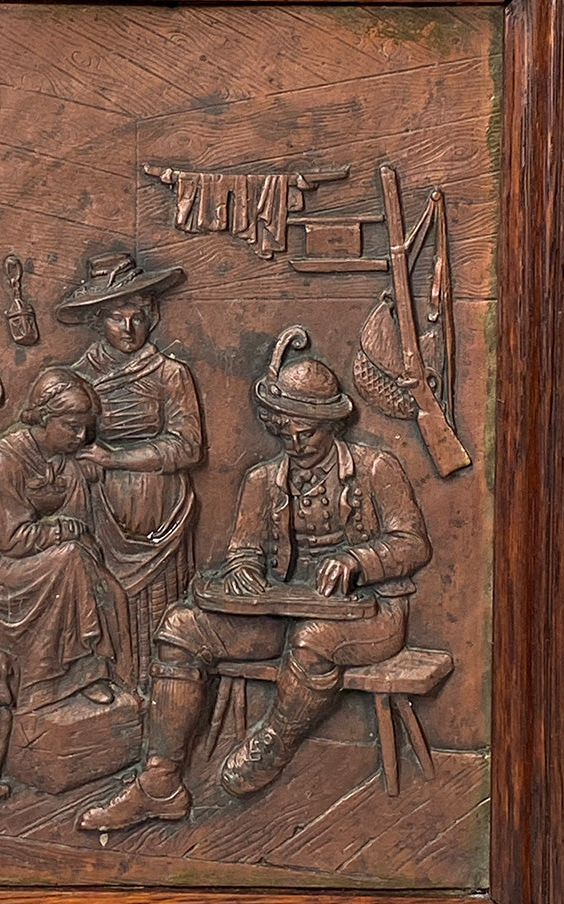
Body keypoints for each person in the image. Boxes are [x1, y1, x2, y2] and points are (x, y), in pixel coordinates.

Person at [78, 326, 431, 832]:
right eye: (284, 431)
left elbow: (413, 543)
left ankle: (274, 743)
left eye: (305, 432)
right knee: (181, 628)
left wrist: (358, 562)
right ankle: (159, 782)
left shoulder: (377, 468)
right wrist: (244, 570)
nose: (294, 442)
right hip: (279, 610)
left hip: (368, 612)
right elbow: (244, 548)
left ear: (329, 425)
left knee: (313, 641)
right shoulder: (263, 480)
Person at [0, 368, 133, 712]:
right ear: (43, 418)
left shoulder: (65, 461)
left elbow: (81, 525)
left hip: (31, 548)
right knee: (69, 561)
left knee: (101, 582)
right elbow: (10, 539)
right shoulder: (0, 462)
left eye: (85, 427)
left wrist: (76, 496)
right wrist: (63, 533)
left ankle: (86, 673)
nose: (81, 436)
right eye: (71, 425)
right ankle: (48, 680)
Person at [56, 253, 204, 689]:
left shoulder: (170, 374)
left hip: (162, 513)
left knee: (163, 613)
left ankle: (167, 697)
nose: (129, 328)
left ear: (152, 315)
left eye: (137, 316)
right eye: (117, 318)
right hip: (102, 512)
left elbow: (188, 446)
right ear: (97, 321)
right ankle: (111, 687)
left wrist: (115, 459)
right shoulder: (78, 379)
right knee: (105, 604)